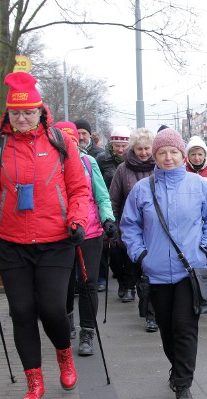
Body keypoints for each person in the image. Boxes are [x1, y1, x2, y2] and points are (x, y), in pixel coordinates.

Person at [0, 72, 89, 399]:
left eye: (29, 112)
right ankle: (34, 383)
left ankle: (64, 355)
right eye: (16, 113)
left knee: (52, 307)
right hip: (12, 243)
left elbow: (79, 190)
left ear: (41, 112)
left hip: (55, 240)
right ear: (8, 114)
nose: (23, 118)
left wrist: (77, 219)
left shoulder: (60, 144)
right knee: (21, 311)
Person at [119, 127, 207, 399]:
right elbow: (130, 226)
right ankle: (177, 370)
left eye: (173, 152)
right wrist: (141, 255)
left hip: (190, 271)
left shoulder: (200, 186)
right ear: (155, 156)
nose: (168, 157)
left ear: (182, 155)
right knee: (166, 328)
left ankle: (183, 385)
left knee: (185, 325)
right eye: (162, 152)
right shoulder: (143, 189)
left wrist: (205, 249)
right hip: (155, 272)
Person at [56, 122, 116, 355]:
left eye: (72, 140)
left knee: (88, 282)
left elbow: (102, 196)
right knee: (65, 283)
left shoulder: (88, 163)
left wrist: (107, 220)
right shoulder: (48, 165)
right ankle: (68, 320)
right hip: (59, 234)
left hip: (90, 231)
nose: (68, 144)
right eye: (63, 140)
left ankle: (87, 333)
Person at [109, 128, 158, 332]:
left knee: (154, 274)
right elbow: (114, 199)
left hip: (157, 231)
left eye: (147, 148)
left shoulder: (160, 167)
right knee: (140, 274)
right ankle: (146, 305)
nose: (144, 153)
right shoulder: (123, 169)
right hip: (133, 231)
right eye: (140, 149)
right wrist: (113, 226)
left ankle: (152, 314)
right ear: (133, 149)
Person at [96, 125, 131, 291]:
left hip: (129, 206)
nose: (120, 149)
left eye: (124, 146)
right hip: (110, 205)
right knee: (113, 248)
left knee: (128, 248)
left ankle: (129, 285)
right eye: (117, 145)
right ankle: (120, 280)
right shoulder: (102, 160)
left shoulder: (132, 160)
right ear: (111, 145)